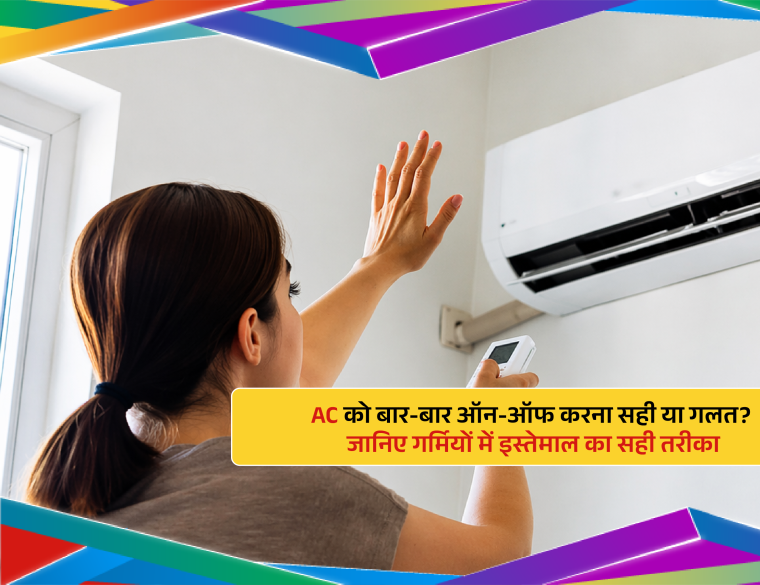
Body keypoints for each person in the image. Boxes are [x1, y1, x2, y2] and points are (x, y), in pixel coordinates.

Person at [25, 132, 538, 575]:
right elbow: (501, 564)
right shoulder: (301, 497)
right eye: (290, 295)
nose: (298, 313)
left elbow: (281, 384)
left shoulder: (98, 478)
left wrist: (378, 266)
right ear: (251, 333)